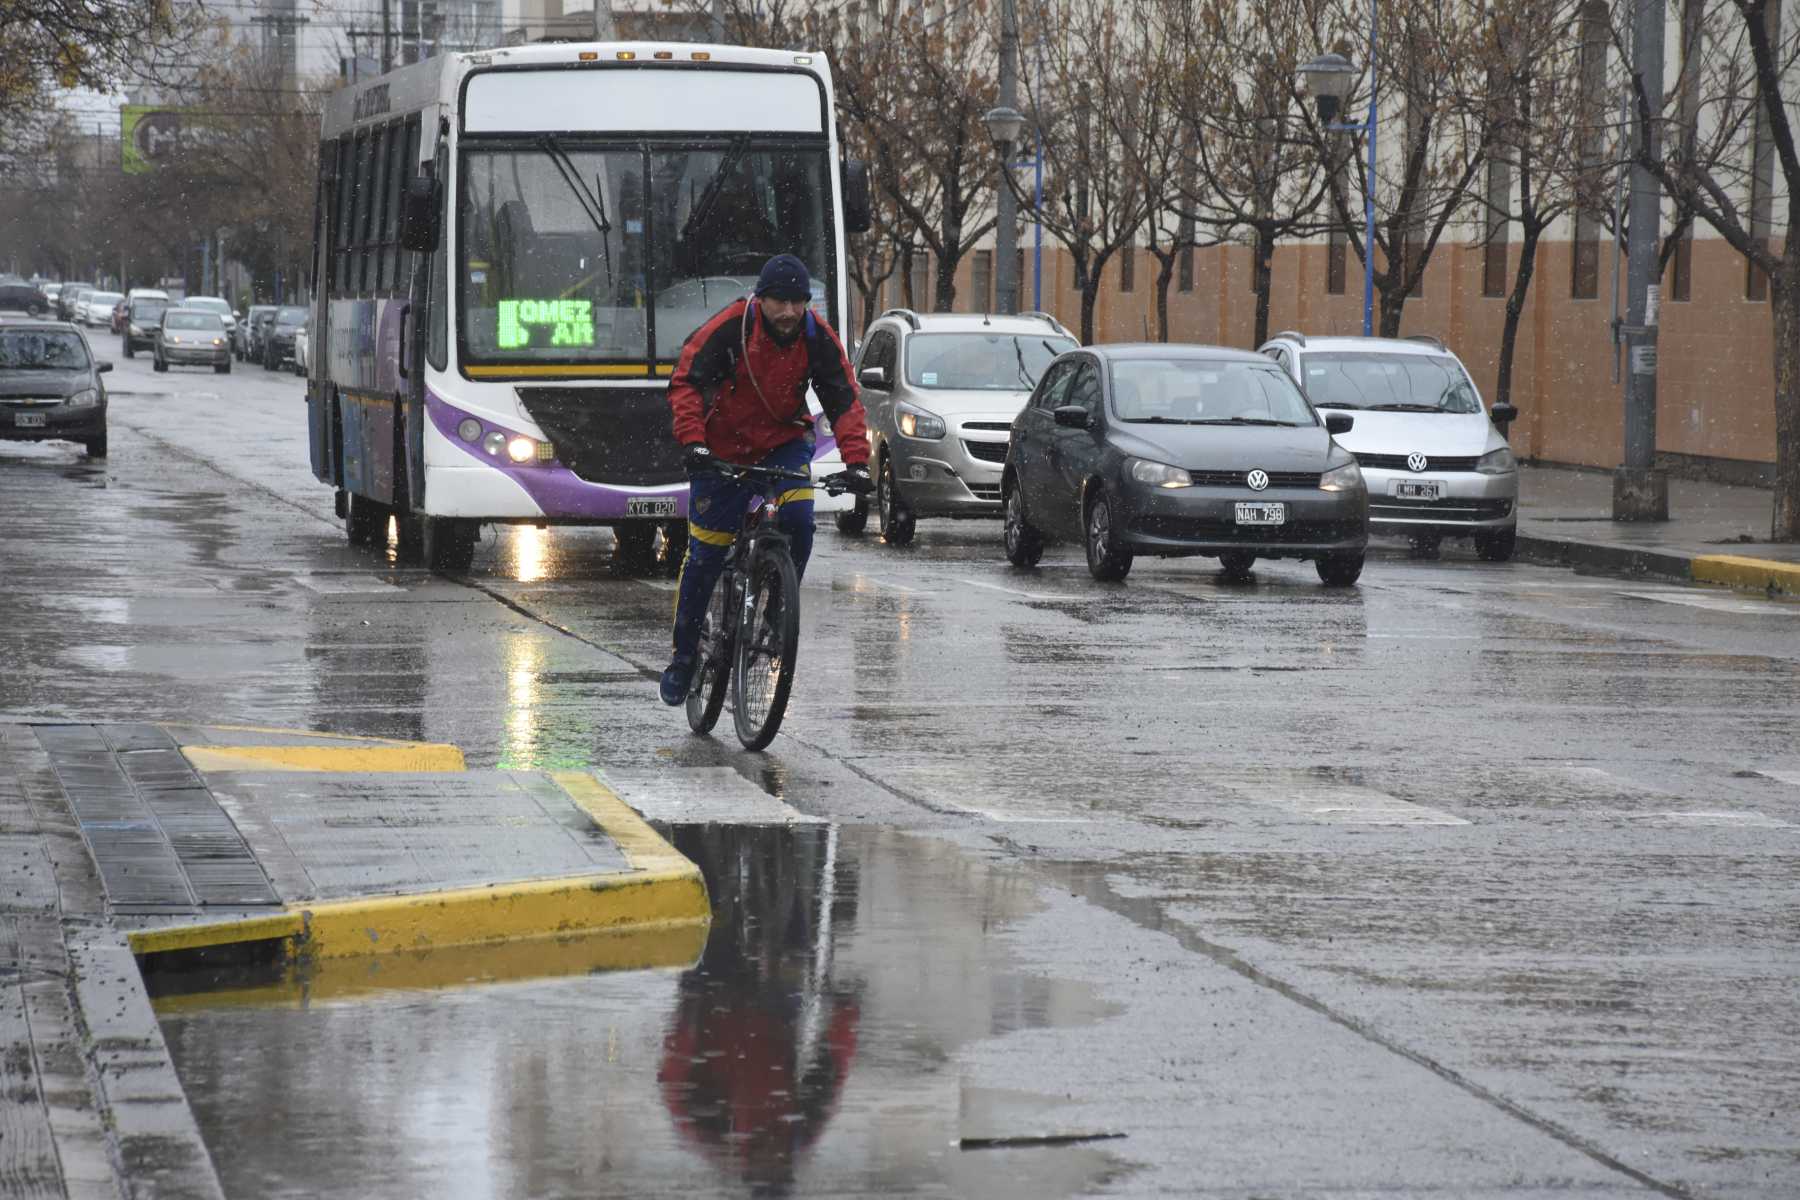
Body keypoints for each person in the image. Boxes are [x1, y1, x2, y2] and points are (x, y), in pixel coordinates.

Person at [660, 254, 874, 705]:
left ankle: (779, 602)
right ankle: (683, 659)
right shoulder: (731, 327)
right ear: (761, 299)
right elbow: (685, 382)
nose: (790, 312)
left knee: (799, 520)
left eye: (798, 302)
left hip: (783, 445)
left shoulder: (817, 336)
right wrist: (694, 443)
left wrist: (857, 462)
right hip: (720, 451)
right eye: (780, 301)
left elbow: (843, 400)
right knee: (704, 559)